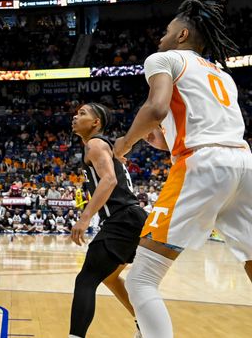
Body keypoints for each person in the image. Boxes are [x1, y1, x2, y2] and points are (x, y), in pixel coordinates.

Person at [113, 0, 252, 338]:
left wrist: (125, 143)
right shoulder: (220, 74)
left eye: (167, 30)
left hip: (203, 164)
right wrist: (168, 141)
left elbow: (156, 109)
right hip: (243, 162)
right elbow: (206, 126)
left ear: (182, 36)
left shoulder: (164, 58)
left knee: (141, 278)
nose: (161, 36)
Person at [68, 103, 147, 338]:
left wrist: (84, 218)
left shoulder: (95, 144)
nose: (75, 116)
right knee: (110, 278)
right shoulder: (103, 146)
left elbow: (109, 181)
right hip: (133, 218)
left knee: (86, 279)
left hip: (123, 219)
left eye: (82, 113)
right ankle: (144, 324)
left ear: (96, 123)